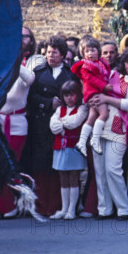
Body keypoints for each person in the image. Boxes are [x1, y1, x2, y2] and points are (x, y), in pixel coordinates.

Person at [0, 26, 43, 220]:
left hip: (18, 121)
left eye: (24, 36)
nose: (20, 39)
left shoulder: (31, 62)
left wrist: (13, 60)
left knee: (11, 165)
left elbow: (30, 78)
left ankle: (10, 204)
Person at [22, 35, 79, 217]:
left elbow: (77, 97)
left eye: (54, 52)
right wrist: (48, 103)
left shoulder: (71, 74)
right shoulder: (38, 73)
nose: (50, 56)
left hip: (64, 125)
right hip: (41, 123)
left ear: (62, 54)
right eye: (47, 52)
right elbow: (30, 97)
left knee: (59, 165)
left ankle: (58, 205)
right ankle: (41, 206)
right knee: (40, 163)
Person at [88, 46, 128, 221]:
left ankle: (124, 208)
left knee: (113, 169)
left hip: (121, 126)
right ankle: (104, 208)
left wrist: (106, 99)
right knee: (100, 169)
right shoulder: (111, 74)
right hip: (101, 123)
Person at [49, 81, 88, 220]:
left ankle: (72, 209)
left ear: (78, 95)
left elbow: (74, 123)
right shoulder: (59, 110)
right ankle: (64, 208)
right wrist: (64, 123)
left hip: (74, 147)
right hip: (60, 147)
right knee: (63, 177)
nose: (69, 98)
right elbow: (53, 127)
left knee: (73, 177)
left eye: (72, 95)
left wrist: (61, 123)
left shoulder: (82, 109)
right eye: (66, 95)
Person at [72, 36, 114, 157]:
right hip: (93, 92)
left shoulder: (100, 63)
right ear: (83, 54)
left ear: (98, 51)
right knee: (104, 114)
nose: (90, 53)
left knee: (92, 117)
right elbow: (90, 79)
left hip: (96, 93)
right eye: (87, 51)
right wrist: (104, 86)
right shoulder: (85, 65)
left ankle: (81, 142)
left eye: (93, 50)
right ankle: (95, 140)